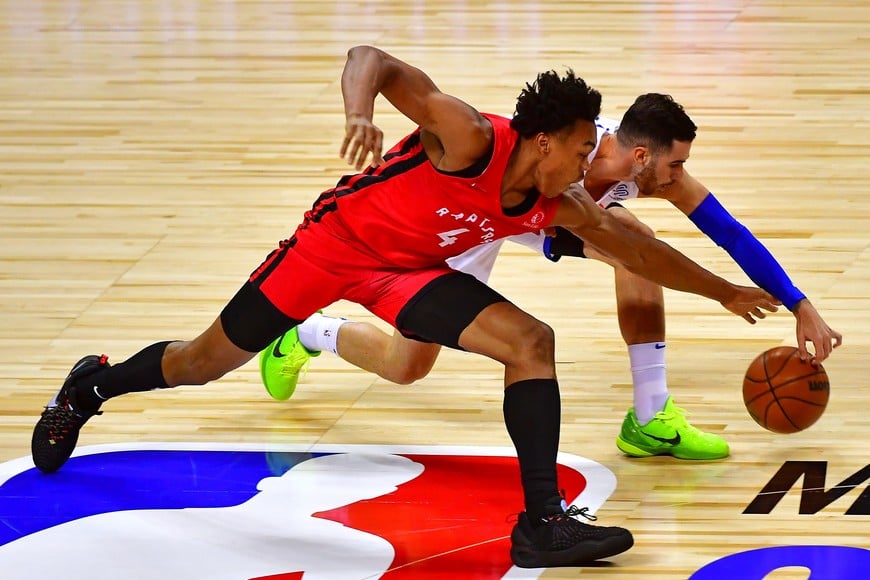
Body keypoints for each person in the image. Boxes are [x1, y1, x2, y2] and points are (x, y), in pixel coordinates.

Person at [31, 46, 780, 567]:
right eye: (584, 150)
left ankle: (544, 523)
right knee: (199, 365)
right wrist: (359, 112)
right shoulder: (468, 137)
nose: (591, 167)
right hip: (330, 251)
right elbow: (374, 60)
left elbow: (639, 252)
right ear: (544, 141)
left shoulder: (559, 197)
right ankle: (90, 385)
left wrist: (723, 292)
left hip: (409, 271)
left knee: (530, 341)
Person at [261, 93, 843, 461]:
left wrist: (799, 303)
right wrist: (721, 292)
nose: (682, 177)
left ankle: (649, 415)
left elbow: (731, 233)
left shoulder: (644, 168)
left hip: (557, 217)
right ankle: (309, 333)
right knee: (404, 367)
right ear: (641, 157)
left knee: (636, 245)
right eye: (676, 165)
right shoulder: (576, 151)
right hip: (486, 214)